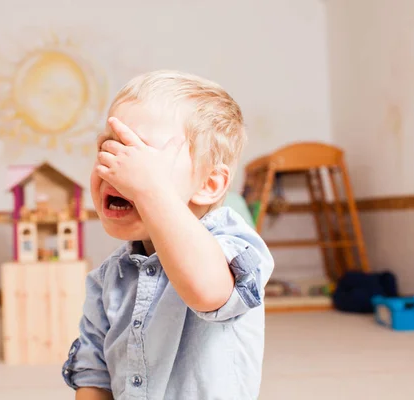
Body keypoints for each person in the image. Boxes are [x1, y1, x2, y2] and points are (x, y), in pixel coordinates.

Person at [62, 70, 274, 399]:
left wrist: (151, 191)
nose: (116, 167)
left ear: (208, 185)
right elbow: (93, 374)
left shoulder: (231, 243)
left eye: (140, 157)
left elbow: (207, 292)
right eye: (109, 148)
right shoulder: (108, 278)